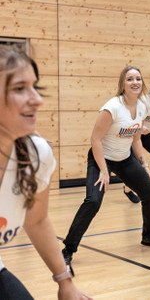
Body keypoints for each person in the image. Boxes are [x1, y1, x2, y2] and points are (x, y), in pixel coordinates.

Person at [0, 46, 90, 299]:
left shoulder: (36, 155)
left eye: (35, 87)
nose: (37, 99)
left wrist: (65, 282)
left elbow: (37, 220)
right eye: (19, 88)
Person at [62, 66, 150, 273]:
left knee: (149, 191)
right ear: (123, 83)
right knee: (93, 201)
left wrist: (145, 166)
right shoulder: (112, 107)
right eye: (130, 79)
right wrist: (104, 170)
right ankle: (68, 249)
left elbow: (136, 137)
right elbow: (95, 139)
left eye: (138, 78)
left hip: (124, 158)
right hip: (101, 158)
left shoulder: (141, 107)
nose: (135, 82)